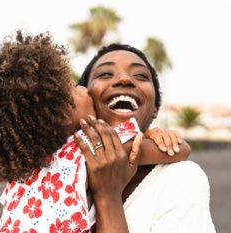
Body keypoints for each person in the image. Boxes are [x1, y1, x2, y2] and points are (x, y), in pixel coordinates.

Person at [0, 31, 190, 232]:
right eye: (72, 88)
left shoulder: (26, 175)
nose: (81, 87)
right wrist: (151, 135)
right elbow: (176, 150)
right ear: (62, 114)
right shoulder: (90, 148)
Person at [78, 43, 216, 232]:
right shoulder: (46, 163)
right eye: (105, 74)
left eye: (141, 75)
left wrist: (108, 197)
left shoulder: (179, 179)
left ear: (155, 110)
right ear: (83, 98)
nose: (124, 79)